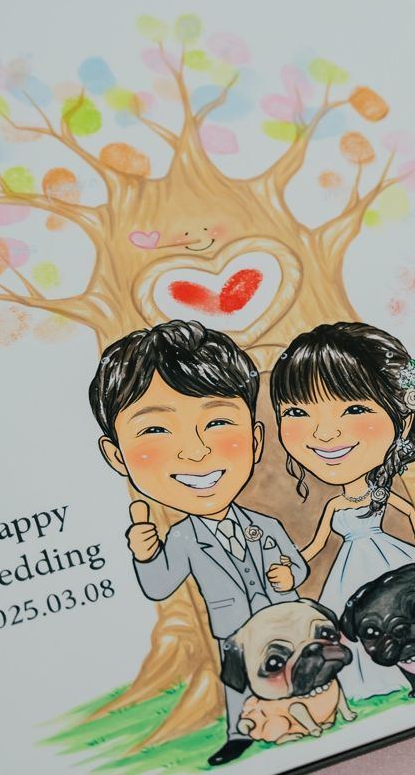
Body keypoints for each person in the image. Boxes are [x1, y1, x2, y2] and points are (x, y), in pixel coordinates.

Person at [89, 319, 308, 768]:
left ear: (255, 439)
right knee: (238, 683)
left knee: (297, 669)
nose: (195, 451)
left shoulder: (265, 524)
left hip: (282, 617)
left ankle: (303, 715)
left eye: (218, 422)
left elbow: (296, 564)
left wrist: (290, 576)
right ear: (117, 455)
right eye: (155, 430)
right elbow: (159, 585)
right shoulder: (183, 537)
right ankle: (240, 732)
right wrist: (145, 553)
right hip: (233, 628)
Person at [270, 322, 415, 699]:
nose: (324, 434)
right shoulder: (335, 503)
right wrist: (293, 565)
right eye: (297, 412)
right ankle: (375, 680)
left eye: (354, 409)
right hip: (349, 568)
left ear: (404, 421)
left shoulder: (380, 491)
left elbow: (405, 510)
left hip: (388, 556)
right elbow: (315, 546)